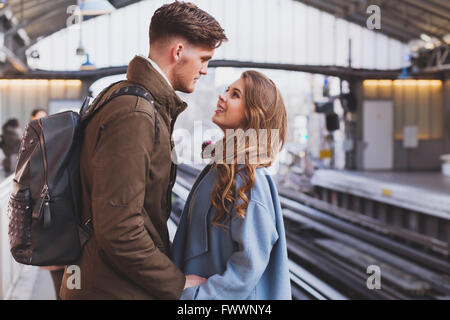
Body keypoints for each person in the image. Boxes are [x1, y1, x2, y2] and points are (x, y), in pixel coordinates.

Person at [60, 1, 227, 300]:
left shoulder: (129, 98)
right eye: (203, 58)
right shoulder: (136, 113)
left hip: (108, 281)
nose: (204, 69)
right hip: (111, 289)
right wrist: (175, 283)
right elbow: (120, 228)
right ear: (177, 52)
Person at [172, 70, 292, 299]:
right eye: (227, 90)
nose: (222, 96)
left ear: (253, 115)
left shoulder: (251, 180)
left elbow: (248, 266)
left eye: (235, 94)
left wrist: (197, 297)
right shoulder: (221, 169)